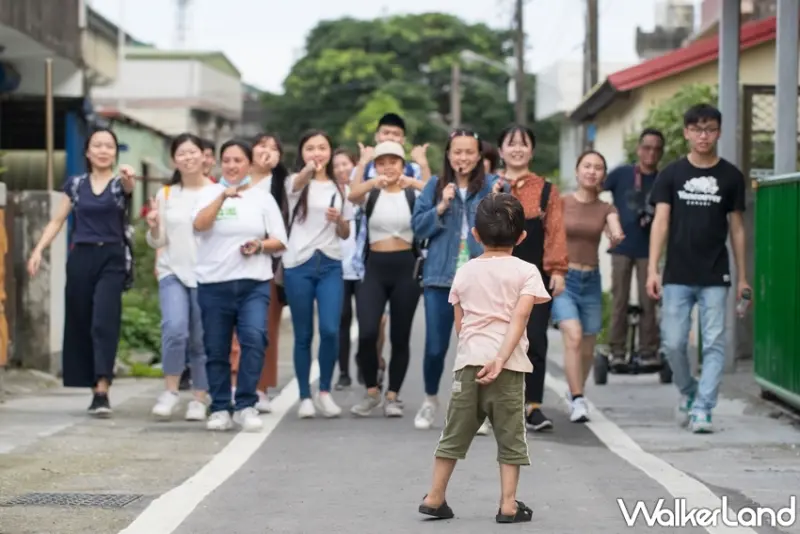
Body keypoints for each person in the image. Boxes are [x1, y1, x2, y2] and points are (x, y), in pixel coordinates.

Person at [418, 193, 550, 524]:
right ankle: (508, 504)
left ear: (475, 235)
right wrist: (500, 358)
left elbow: (461, 324)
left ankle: (435, 496)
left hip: (469, 367)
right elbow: (520, 318)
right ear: (522, 236)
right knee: (510, 437)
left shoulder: (464, 272)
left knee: (453, 433)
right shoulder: (527, 272)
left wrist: (475, 352)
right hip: (508, 369)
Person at [646, 103, 750, 434]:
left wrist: (743, 276)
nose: (703, 136)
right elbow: (660, 222)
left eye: (710, 129)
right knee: (673, 343)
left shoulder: (731, 177)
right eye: (697, 129)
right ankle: (690, 391)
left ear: (719, 133)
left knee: (714, 342)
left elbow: (737, 229)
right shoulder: (671, 174)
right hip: (677, 273)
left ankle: (704, 408)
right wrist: (652, 269)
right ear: (687, 133)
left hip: (715, 274)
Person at [27, 127, 136, 417]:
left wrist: (129, 177)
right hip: (81, 257)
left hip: (112, 257)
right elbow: (57, 220)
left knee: (103, 321)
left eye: (109, 146)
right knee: (82, 321)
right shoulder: (75, 185)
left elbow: (129, 189)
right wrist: (38, 250)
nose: (103, 151)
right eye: (97, 145)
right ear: (87, 152)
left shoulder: (119, 184)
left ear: (115, 152)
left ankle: (102, 389)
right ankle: (91, 383)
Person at [192, 139, 288, 432]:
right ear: (219, 163)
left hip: (253, 284)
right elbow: (199, 224)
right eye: (227, 160)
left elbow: (280, 240)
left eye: (238, 161)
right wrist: (223, 196)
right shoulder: (207, 193)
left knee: (255, 339)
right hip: (214, 283)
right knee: (216, 347)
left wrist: (259, 245)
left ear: (249, 164)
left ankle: (246, 404)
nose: (232, 166)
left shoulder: (263, 199)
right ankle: (220, 407)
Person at [410, 129, 498, 430]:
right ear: (448, 155)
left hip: (480, 279)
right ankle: (430, 400)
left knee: (478, 349)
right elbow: (418, 228)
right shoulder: (434, 186)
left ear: (479, 156)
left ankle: (478, 409)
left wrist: (496, 203)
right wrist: (441, 206)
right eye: (457, 152)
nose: (463, 157)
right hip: (439, 278)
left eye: (469, 152)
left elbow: (506, 228)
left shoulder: (493, 186)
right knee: (436, 347)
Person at [494, 124, 568, 433]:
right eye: (511, 143)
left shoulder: (547, 190)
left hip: (534, 275)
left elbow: (555, 232)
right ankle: (496, 406)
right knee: (496, 339)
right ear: (501, 150)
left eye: (523, 144)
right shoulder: (490, 185)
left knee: (535, 338)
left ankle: (533, 405)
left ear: (532, 151)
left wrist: (558, 270)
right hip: (495, 275)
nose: (517, 149)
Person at [349, 113, 431, 389]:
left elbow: (433, 195)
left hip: (405, 268)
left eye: (393, 162)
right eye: (381, 163)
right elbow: (352, 195)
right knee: (367, 333)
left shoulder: (412, 193)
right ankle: (371, 390)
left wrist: (417, 173)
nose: (387, 167)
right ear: (376, 166)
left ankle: (394, 394)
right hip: (374, 267)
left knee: (400, 336)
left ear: (402, 165)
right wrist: (366, 169)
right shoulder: (371, 193)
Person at [282, 130, 354, 419]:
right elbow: (299, 182)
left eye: (322, 148)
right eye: (310, 148)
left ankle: (324, 391)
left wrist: (339, 221)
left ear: (331, 151)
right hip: (298, 264)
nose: (317, 153)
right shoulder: (293, 182)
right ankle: (304, 396)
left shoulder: (340, 188)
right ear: (302, 153)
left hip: (330, 264)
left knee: (330, 329)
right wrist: (309, 169)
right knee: (303, 334)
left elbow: (345, 232)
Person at [552, 150, 624, 423]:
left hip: (591, 281)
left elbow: (613, 227)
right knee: (573, 334)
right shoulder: (561, 203)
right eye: (587, 166)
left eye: (598, 167)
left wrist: (616, 235)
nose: (592, 171)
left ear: (603, 174)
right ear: (577, 170)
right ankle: (578, 397)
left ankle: (575, 394)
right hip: (564, 278)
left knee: (587, 347)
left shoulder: (606, 208)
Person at [146, 133, 213, 422]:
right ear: (174, 160)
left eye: (192, 152)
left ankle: (199, 397)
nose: (187, 158)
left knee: (200, 339)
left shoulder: (216, 192)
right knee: (174, 329)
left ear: (203, 156)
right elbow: (158, 240)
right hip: (172, 271)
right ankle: (171, 391)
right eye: (181, 153)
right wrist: (152, 227)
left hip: (206, 274)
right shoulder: (166, 194)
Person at [604, 128, 664, 367]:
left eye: (657, 149)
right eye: (647, 148)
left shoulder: (663, 179)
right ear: (639, 149)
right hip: (621, 247)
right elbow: (593, 193)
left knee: (649, 302)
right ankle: (616, 351)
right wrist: (606, 224)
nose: (651, 153)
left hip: (649, 250)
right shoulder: (621, 174)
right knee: (619, 301)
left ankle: (648, 351)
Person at [333, 148, 360, 389]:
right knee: (342, 320)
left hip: (362, 267)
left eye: (345, 164)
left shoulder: (362, 192)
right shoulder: (330, 194)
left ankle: (365, 363)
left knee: (367, 320)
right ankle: (343, 372)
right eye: (336, 166)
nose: (342, 169)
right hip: (338, 267)